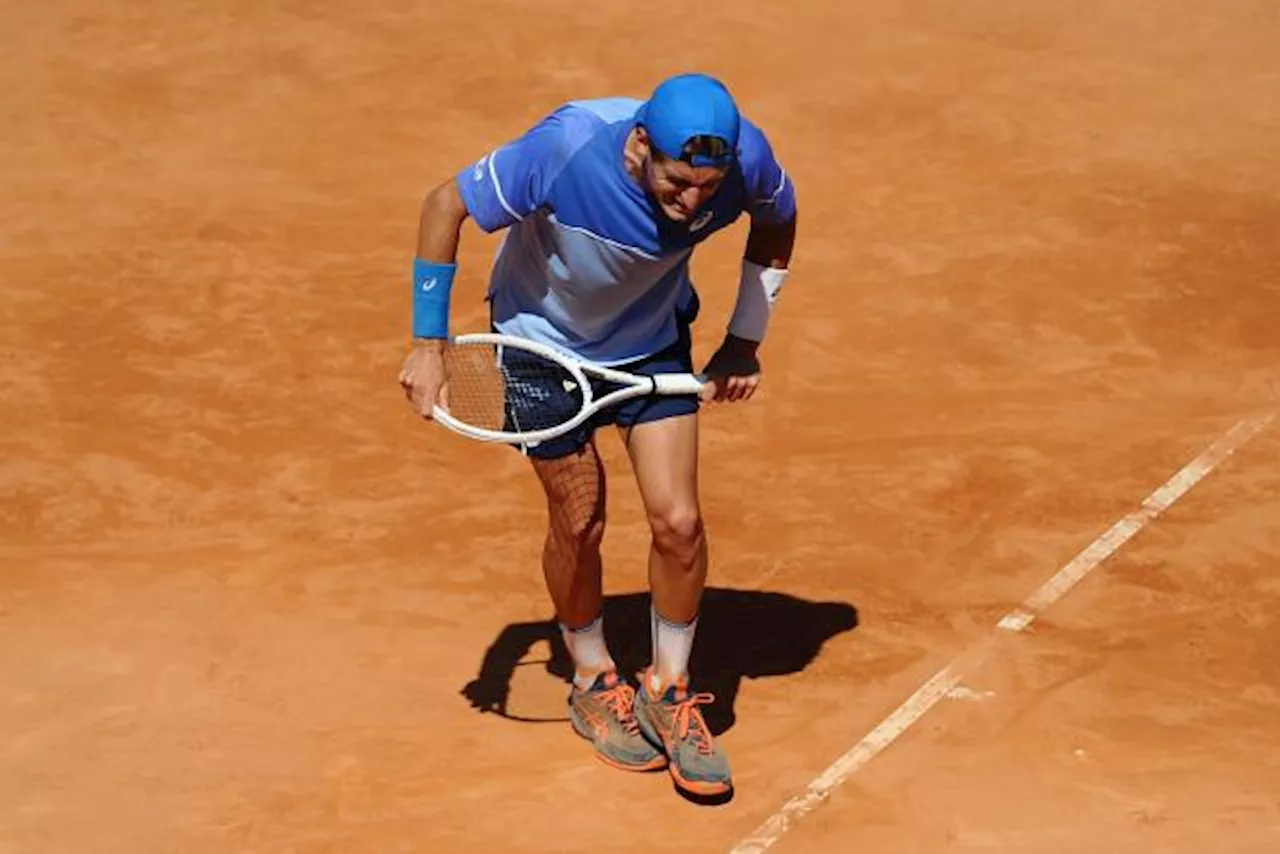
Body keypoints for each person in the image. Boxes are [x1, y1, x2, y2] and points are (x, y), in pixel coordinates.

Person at [398, 72, 797, 799]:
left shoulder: (744, 163)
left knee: (679, 524)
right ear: (640, 143)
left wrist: (745, 339)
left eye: (708, 191)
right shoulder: (565, 149)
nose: (692, 205)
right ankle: (589, 676)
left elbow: (777, 222)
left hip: (649, 343)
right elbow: (443, 205)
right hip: (537, 348)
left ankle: (669, 690)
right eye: (678, 183)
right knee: (580, 520)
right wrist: (428, 345)